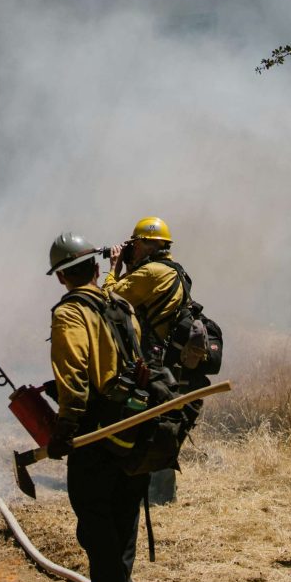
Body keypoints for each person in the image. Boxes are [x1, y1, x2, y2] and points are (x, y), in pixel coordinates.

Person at [46, 232, 151, 582]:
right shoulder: (123, 307)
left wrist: (65, 427)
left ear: (61, 276)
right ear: (94, 266)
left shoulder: (70, 312)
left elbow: (75, 373)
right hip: (133, 430)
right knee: (124, 523)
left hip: (96, 437)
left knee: (96, 527)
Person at [102, 216, 195, 504]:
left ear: (145, 244)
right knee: (160, 418)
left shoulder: (150, 273)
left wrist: (113, 269)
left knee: (146, 421)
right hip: (166, 359)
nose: (130, 249)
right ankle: (160, 491)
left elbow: (108, 298)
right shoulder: (171, 270)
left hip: (153, 359)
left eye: (133, 244)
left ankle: (150, 490)